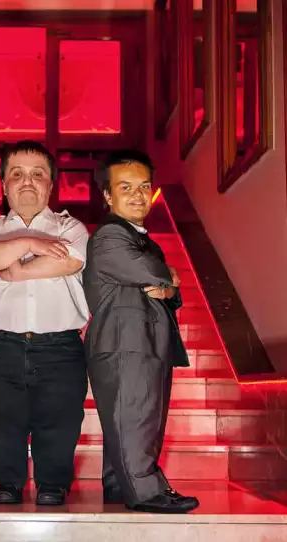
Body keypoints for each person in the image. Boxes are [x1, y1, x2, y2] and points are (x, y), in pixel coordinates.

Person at [0, 140, 89, 506]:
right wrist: (29, 242)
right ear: (3, 183)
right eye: (17, 174)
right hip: (3, 346)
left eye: (38, 175)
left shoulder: (72, 227)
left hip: (62, 346)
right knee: (2, 420)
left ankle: (53, 483)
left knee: (60, 419)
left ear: (51, 185)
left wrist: (17, 272)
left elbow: (70, 261)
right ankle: (6, 481)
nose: (27, 182)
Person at [83, 149, 200, 514]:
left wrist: (168, 286)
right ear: (107, 195)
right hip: (125, 346)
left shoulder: (140, 238)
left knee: (133, 419)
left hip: (140, 343)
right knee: (136, 419)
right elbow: (154, 273)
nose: (137, 195)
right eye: (125, 187)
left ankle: (120, 485)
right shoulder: (109, 236)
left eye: (144, 187)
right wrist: (168, 277)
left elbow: (163, 284)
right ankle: (147, 492)